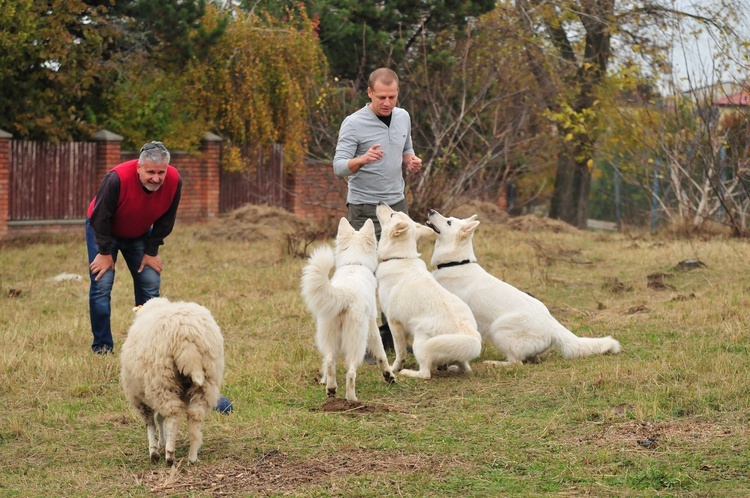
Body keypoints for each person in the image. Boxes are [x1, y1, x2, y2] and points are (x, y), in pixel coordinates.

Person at [333, 67, 423, 348]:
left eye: (392, 97)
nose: (387, 103)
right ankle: (365, 340)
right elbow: (338, 167)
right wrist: (362, 159)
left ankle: (393, 336)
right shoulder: (353, 123)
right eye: (381, 97)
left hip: (396, 206)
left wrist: (410, 160)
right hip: (364, 208)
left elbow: (406, 148)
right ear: (370, 93)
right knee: (365, 276)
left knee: (399, 272)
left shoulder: (403, 117)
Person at [86, 141, 181, 355]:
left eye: (160, 172)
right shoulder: (116, 178)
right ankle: (102, 347)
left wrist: (152, 251)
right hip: (104, 230)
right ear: (138, 167)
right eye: (150, 172)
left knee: (150, 281)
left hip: (138, 233)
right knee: (102, 284)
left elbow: (167, 218)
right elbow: (100, 217)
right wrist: (104, 253)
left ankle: (147, 344)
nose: (156, 178)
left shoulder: (175, 180)